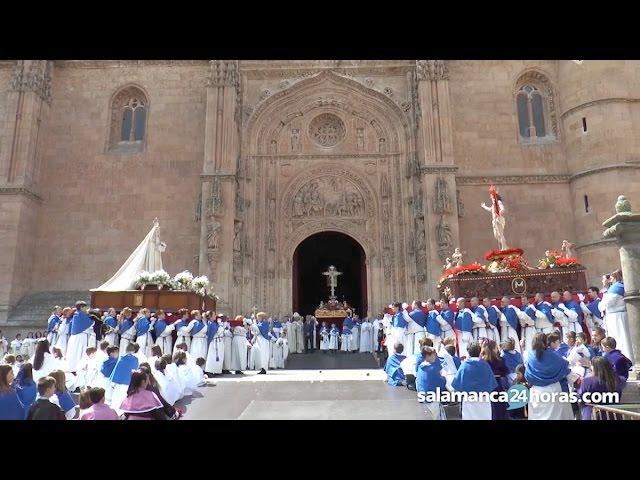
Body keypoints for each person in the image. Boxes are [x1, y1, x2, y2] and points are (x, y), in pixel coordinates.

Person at [524, 333, 573, 420]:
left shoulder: (530, 355)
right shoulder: (551, 355)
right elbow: (564, 365)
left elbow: (527, 374)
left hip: (536, 391)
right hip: (553, 390)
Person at [451, 341, 497, 420]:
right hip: (484, 398)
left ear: (468, 351)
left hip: (469, 399)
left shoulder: (464, 366)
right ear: (480, 351)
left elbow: (457, 383)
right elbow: (492, 383)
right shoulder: (485, 365)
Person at [577, 356, 625, 420]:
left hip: (593, 414)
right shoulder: (618, 380)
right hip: (613, 414)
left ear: (595, 367)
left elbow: (581, 399)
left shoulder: (587, 382)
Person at [601, 270, 634, 362]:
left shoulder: (615, 288)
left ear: (615, 277)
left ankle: (625, 360)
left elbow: (604, 305)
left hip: (616, 317)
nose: (610, 280)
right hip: (620, 315)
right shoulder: (621, 286)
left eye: (611, 277)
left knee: (621, 340)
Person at [416, 345, 447, 420]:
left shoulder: (421, 367)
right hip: (432, 397)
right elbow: (440, 383)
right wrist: (443, 378)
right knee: (437, 416)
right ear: (427, 356)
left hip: (423, 395)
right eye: (433, 355)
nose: (435, 357)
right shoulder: (431, 369)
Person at [109, 343, 140, 413]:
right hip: (129, 385)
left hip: (119, 384)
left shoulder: (121, 358)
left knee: (115, 403)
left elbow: (117, 370)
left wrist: (112, 384)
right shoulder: (136, 359)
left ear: (126, 350)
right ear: (134, 350)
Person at [66, 301, 95, 372]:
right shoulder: (80, 315)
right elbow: (91, 323)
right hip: (79, 337)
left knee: (76, 352)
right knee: (79, 352)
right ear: (81, 307)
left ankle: (75, 367)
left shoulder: (77, 315)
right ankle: (77, 367)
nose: (86, 309)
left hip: (77, 337)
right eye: (85, 307)